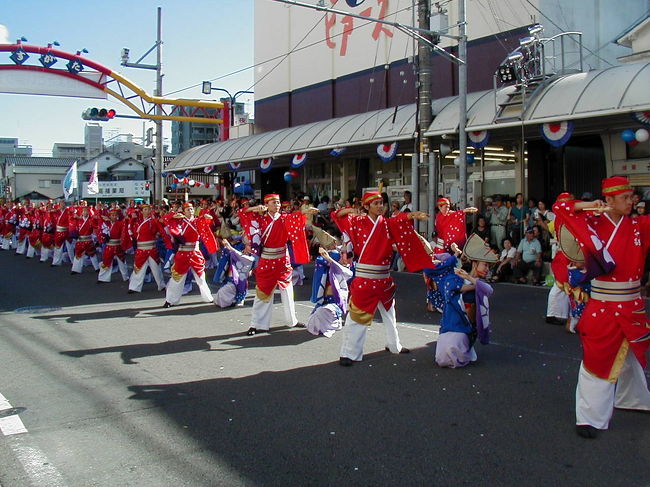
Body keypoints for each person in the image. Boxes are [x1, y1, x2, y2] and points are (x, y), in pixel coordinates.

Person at [553, 176, 650, 439]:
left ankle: (634, 399)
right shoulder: (592, 223)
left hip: (632, 304)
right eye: (625, 198)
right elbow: (560, 208)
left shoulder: (639, 225)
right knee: (598, 357)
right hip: (604, 304)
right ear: (608, 199)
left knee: (629, 356)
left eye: (632, 197)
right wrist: (587, 206)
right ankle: (589, 418)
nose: (632, 202)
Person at [333, 191, 431, 366]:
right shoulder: (357, 221)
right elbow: (337, 216)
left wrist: (411, 215)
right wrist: (349, 211)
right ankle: (349, 353)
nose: (380, 206)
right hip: (365, 279)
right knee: (357, 317)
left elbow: (398, 221)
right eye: (376, 203)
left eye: (382, 203)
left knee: (390, 314)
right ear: (367, 206)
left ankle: (394, 345)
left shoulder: (387, 223)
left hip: (384, 278)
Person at [239, 193, 317, 335]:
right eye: (273, 202)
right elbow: (244, 214)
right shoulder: (260, 219)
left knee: (288, 291)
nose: (277, 205)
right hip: (267, 259)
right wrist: (255, 208)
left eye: (278, 202)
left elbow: (295, 217)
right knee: (262, 291)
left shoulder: (285, 218)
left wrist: (304, 212)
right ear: (266, 204)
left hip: (282, 260)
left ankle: (291, 320)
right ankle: (257, 324)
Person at [434, 234, 496, 368]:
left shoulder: (478, 283)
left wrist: (470, 279)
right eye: (485, 265)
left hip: (465, 328)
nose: (487, 269)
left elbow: (488, 290)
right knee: (441, 358)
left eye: (488, 267)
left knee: (454, 354)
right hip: (451, 323)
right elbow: (449, 287)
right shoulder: (457, 277)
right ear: (475, 263)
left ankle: (467, 347)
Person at [163, 201, 218, 308]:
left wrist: (207, 217)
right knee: (177, 278)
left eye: (192, 209)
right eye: (188, 209)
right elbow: (165, 219)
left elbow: (206, 221)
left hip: (195, 252)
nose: (191, 211)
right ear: (183, 211)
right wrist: (174, 214)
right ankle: (170, 300)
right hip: (183, 253)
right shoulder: (179, 221)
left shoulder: (197, 221)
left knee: (201, 277)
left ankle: (208, 297)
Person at [306, 246, 353, 338]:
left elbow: (343, 271)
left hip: (335, 304)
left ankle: (335, 323)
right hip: (324, 302)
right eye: (342, 255)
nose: (345, 257)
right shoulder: (326, 271)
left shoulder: (346, 271)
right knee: (314, 319)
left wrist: (329, 258)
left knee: (323, 312)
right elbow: (320, 262)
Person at [128, 203, 170, 293]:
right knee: (138, 268)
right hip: (141, 248)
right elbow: (131, 231)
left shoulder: (154, 221)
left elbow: (162, 230)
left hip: (151, 248)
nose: (147, 211)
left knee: (156, 268)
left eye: (149, 209)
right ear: (142, 211)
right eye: (145, 210)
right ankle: (134, 287)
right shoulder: (136, 221)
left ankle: (161, 285)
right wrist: (132, 220)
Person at [213, 238, 255, 308]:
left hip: (242, 278)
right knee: (223, 292)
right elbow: (235, 254)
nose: (251, 248)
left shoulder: (252, 256)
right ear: (245, 245)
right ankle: (232, 301)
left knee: (238, 289)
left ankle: (239, 299)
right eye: (249, 245)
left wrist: (230, 247)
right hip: (232, 277)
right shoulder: (239, 249)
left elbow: (243, 258)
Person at [97, 208, 130, 283]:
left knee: (122, 261)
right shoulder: (106, 224)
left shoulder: (120, 223)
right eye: (112, 215)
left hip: (117, 245)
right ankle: (103, 278)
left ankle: (126, 277)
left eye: (115, 215)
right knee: (106, 261)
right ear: (109, 216)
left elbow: (124, 231)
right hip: (109, 245)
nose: (114, 217)